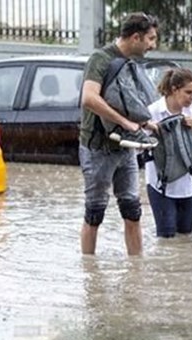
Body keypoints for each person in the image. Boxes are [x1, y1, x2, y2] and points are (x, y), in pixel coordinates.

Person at [77, 12, 160, 257]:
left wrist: (145, 123)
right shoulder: (100, 59)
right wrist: (125, 123)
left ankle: (136, 269)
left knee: (132, 210)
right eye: (150, 39)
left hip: (126, 147)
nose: (153, 45)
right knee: (95, 212)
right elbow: (89, 98)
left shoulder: (131, 63)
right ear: (135, 37)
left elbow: (127, 102)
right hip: (98, 148)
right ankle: (89, 271)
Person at [145, 67, 192, 238]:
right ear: (174, 89)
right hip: (161, 184)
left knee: (185, 235)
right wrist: (153, 130)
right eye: (188, 92)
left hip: (191, 181)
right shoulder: (153, 111)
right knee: (166, 236)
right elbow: (140, 146)